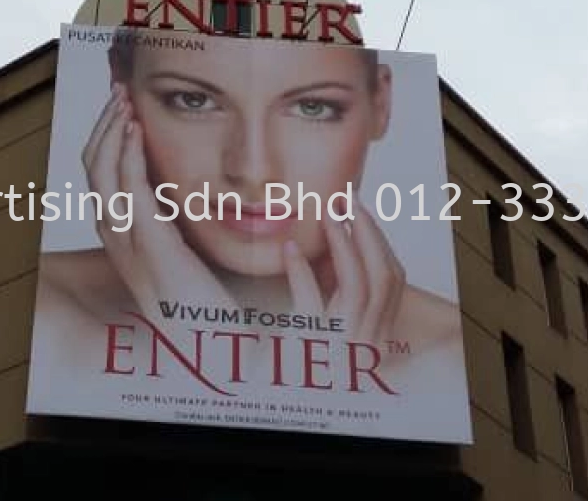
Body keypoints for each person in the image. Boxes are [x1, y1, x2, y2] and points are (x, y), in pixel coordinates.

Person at [33, 31, 467, 400]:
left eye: (312, 107)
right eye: (193, 100)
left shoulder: (448, 357)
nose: (254, 170)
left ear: (381, 102)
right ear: (120, 90)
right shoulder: (43, 317)